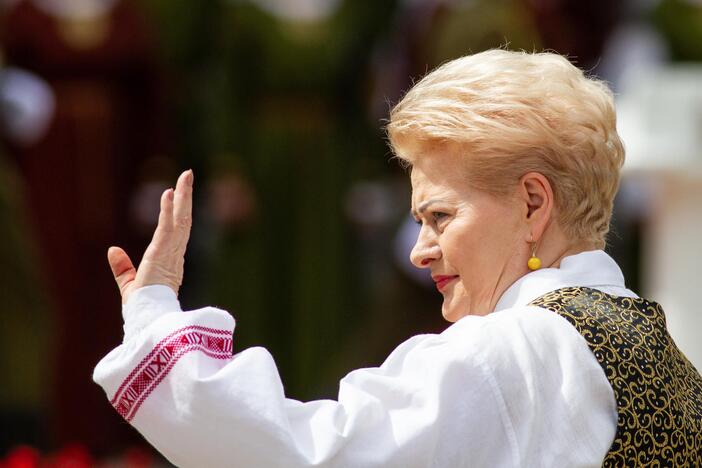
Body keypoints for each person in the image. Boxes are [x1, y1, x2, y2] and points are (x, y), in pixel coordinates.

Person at [94, 50, 702, 467]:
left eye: (441, 216)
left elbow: (309, 453)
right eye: (419, 222)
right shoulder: (644, 337)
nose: (419, 251)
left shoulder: (519, 352)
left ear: (532, 203)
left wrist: (155, 325)